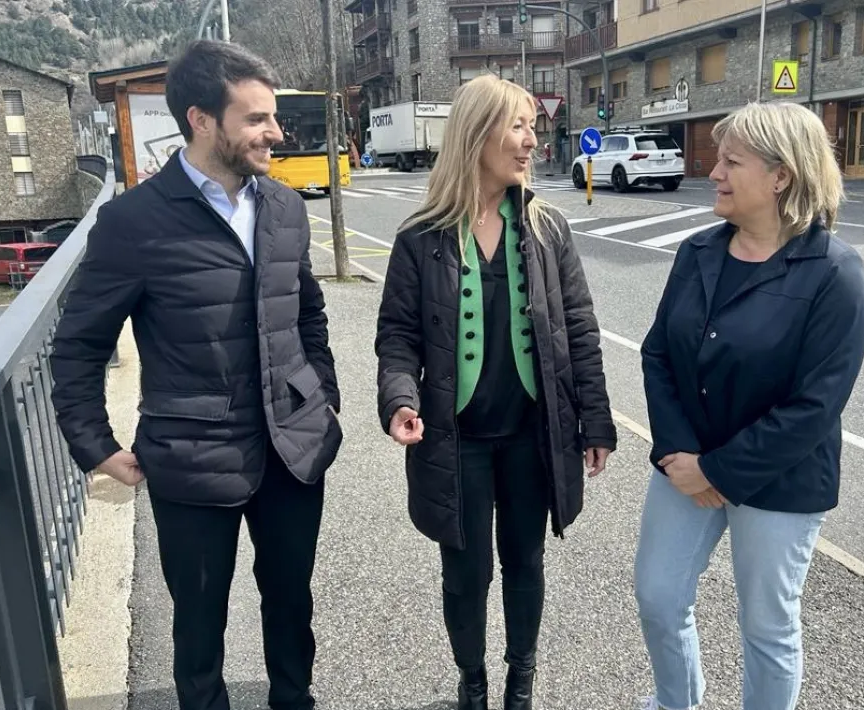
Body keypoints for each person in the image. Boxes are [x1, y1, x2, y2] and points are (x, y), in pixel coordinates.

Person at [50, 40, 342, 710]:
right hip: (191, 459)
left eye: (273, 117)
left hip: (293, 450)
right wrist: (95, 445)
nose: (275, 132)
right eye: (256, 119)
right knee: (199, 628)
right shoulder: (132, 223)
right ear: (202, 120)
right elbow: (77, 347)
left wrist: (322, 396)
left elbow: (308, 309)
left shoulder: (284, 206)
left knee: (292, 606)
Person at [374, 73, 617, 710]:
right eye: (519, 126)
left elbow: (580, 332)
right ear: (477, 134)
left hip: (532, 436)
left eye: (534, 126)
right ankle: (473, 681)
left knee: (525, 562)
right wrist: (400, 398)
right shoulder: (419, 239)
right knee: (465, 573)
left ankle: (520, 680)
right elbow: (396, 338)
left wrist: (595, 422)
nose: (532, 140)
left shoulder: (548, 230)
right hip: (456, 441)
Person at [633, 101, 864, 710]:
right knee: (659, 597)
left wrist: (718, 470)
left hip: (780, 479)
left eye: (731, 161)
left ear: (781, 176)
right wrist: (679, 451)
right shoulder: (697, 253)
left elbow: (815, 405)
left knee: (766, 627)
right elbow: (659, 354)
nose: (713, 172)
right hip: (687, 462)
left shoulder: (833, 273)